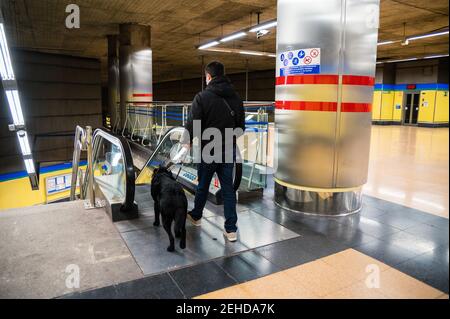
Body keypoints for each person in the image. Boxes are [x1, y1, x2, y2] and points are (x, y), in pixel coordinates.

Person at [182, 61, 245, 242]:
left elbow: (194, 122)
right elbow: (241, 127)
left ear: (208, 76)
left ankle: (196, 216)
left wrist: (186, 143)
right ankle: (231, 230)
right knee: (228, 190)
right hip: (228, 149)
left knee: (203, 184)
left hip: (208, 149)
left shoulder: (202, 97)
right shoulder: (236, 97)